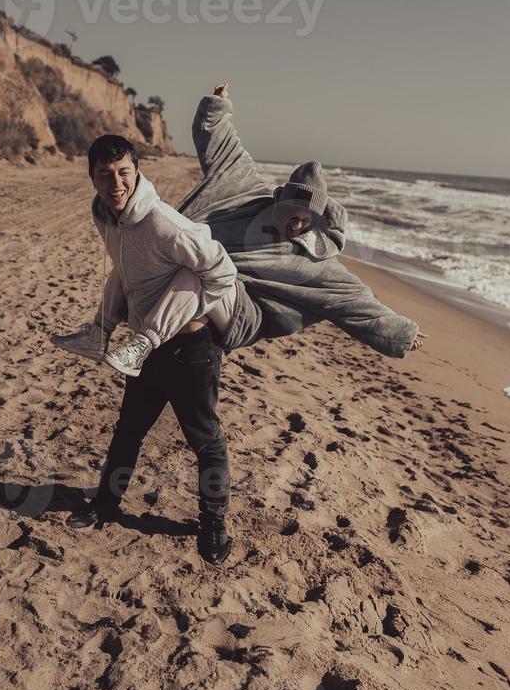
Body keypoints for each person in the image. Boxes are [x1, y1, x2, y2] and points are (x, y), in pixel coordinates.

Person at [52, 134, 237, 565]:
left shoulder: (162, 223)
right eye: (105, 175)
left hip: (191, 347)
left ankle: (213, 524)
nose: (116, 183)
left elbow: (222, 271)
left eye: (124, 174)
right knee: (128, 430)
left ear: (137, 172)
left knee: (205, 441)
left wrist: (191, 304)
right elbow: (127, 269)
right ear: (93, 179)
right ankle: (105, 504)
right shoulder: (105, 214)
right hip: (146, 349)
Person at [175, 83, 425, 357]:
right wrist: (218, 105)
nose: (295, 224)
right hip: (201, 289)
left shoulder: (316, 259)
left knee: (197, 282)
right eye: (290, 215)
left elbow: (356, 299)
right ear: (279, 200)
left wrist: (402, 332)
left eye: (305, 220)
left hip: (243, 314)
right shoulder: (250, 195)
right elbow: (224, 149)